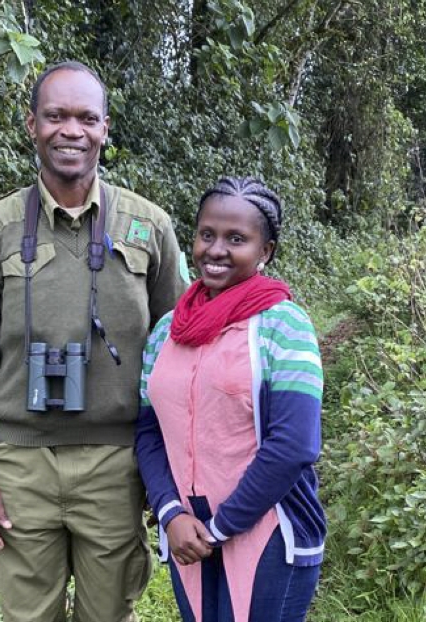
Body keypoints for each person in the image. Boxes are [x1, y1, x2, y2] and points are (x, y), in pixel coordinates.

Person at [0, 60, 187, 622]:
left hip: (116, 462)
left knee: (108, 615)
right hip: (19, 465)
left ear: (105, 128)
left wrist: (172, 475)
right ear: (32, 125)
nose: (71, 130)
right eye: (55, 116)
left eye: (86, 117)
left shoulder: (147, 227)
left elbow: (179, 352)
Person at [135, 177, 325, 622]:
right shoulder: (167, 331)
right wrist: (170, 513)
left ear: (266, 252)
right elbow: (148, 430)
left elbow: (294, 445)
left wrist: (220, 527)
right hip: (187, 533)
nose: (216, 250)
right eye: (207, 235)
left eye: (236, 239)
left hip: (269, 532)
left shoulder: (284, 326)